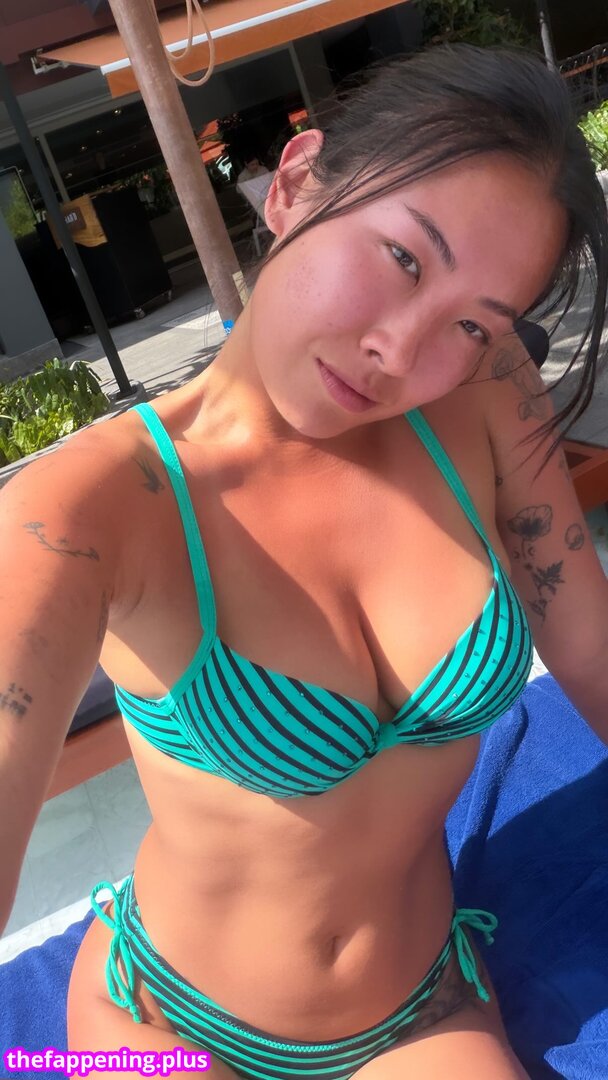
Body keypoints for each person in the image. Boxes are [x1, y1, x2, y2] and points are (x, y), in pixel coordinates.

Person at [2, 44, 608, 1080]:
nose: (400, 351)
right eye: (403, 257)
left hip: (420, 1009)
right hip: (166, 1021)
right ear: (292, 185)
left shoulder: (483, 391)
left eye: (471, 320)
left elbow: (590, 647)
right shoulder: (95, 507)